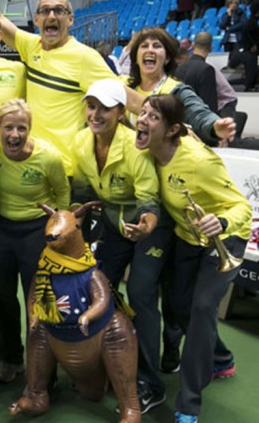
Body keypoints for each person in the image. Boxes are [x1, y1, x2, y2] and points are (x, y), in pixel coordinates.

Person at [134, 94, 251, 423]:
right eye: (142, 113)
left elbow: (241, 206)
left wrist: (223, 222)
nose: (142, 120)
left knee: (201, 309)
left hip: (224, 239)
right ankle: (222, 358)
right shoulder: (144, 152)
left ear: (171, 130)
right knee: (177, 308)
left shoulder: (199, 161)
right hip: (187, 238)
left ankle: (188, 405)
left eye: (152, 117)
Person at [72, 78, 172, 414]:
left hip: (149, 229)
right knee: (100, 289)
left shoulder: (134, 146)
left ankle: (148, 383)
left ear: (119, 112)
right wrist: (76, 218)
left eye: (104, 108)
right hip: (114, 228)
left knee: (142, 294)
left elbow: (148, 200)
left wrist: (146, 225)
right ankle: (103, 365)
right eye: (91, 106)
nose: (95, 113)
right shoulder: (81, 142)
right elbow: (83, 193)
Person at [0, 0, 122, 175]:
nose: (52, 16)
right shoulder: (31, 46)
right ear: (36, 20)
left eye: (59, 11)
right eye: (45, 11)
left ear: (70, 19)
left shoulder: (85, 57)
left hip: (64, 168)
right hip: (28, 162)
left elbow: (122, 95)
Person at [0, 99, 69, 383]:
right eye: (8, 128)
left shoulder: (49, 157)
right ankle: (12, 359)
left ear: (30, 129)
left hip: (35, 232)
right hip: (0, 228)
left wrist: (58, 231)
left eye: (22, 128)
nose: (14, 135)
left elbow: (63, 195)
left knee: (41, 301)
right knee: (3, 297)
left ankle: (46, 369)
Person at [124, 26, 235, 144]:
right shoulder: (123, 84)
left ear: (167, 58)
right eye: (144, 46)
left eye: (157, 46)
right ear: (135, 57)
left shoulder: (176, 90)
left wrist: (214, 125)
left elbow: (198, 113)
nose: (150, 50)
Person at [177, 31, 239, 120]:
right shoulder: (208, 69)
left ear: (193, 46)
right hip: (206, 118)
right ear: (211, 48)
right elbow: (209, 104)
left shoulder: (180, 68)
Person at [228, 2, 259, 92]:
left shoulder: (251, 22)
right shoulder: (251, 23)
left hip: (249, 51)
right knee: (250, 76)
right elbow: (247, 33)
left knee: (250, 76)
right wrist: (253, 44)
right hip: (249, 53)